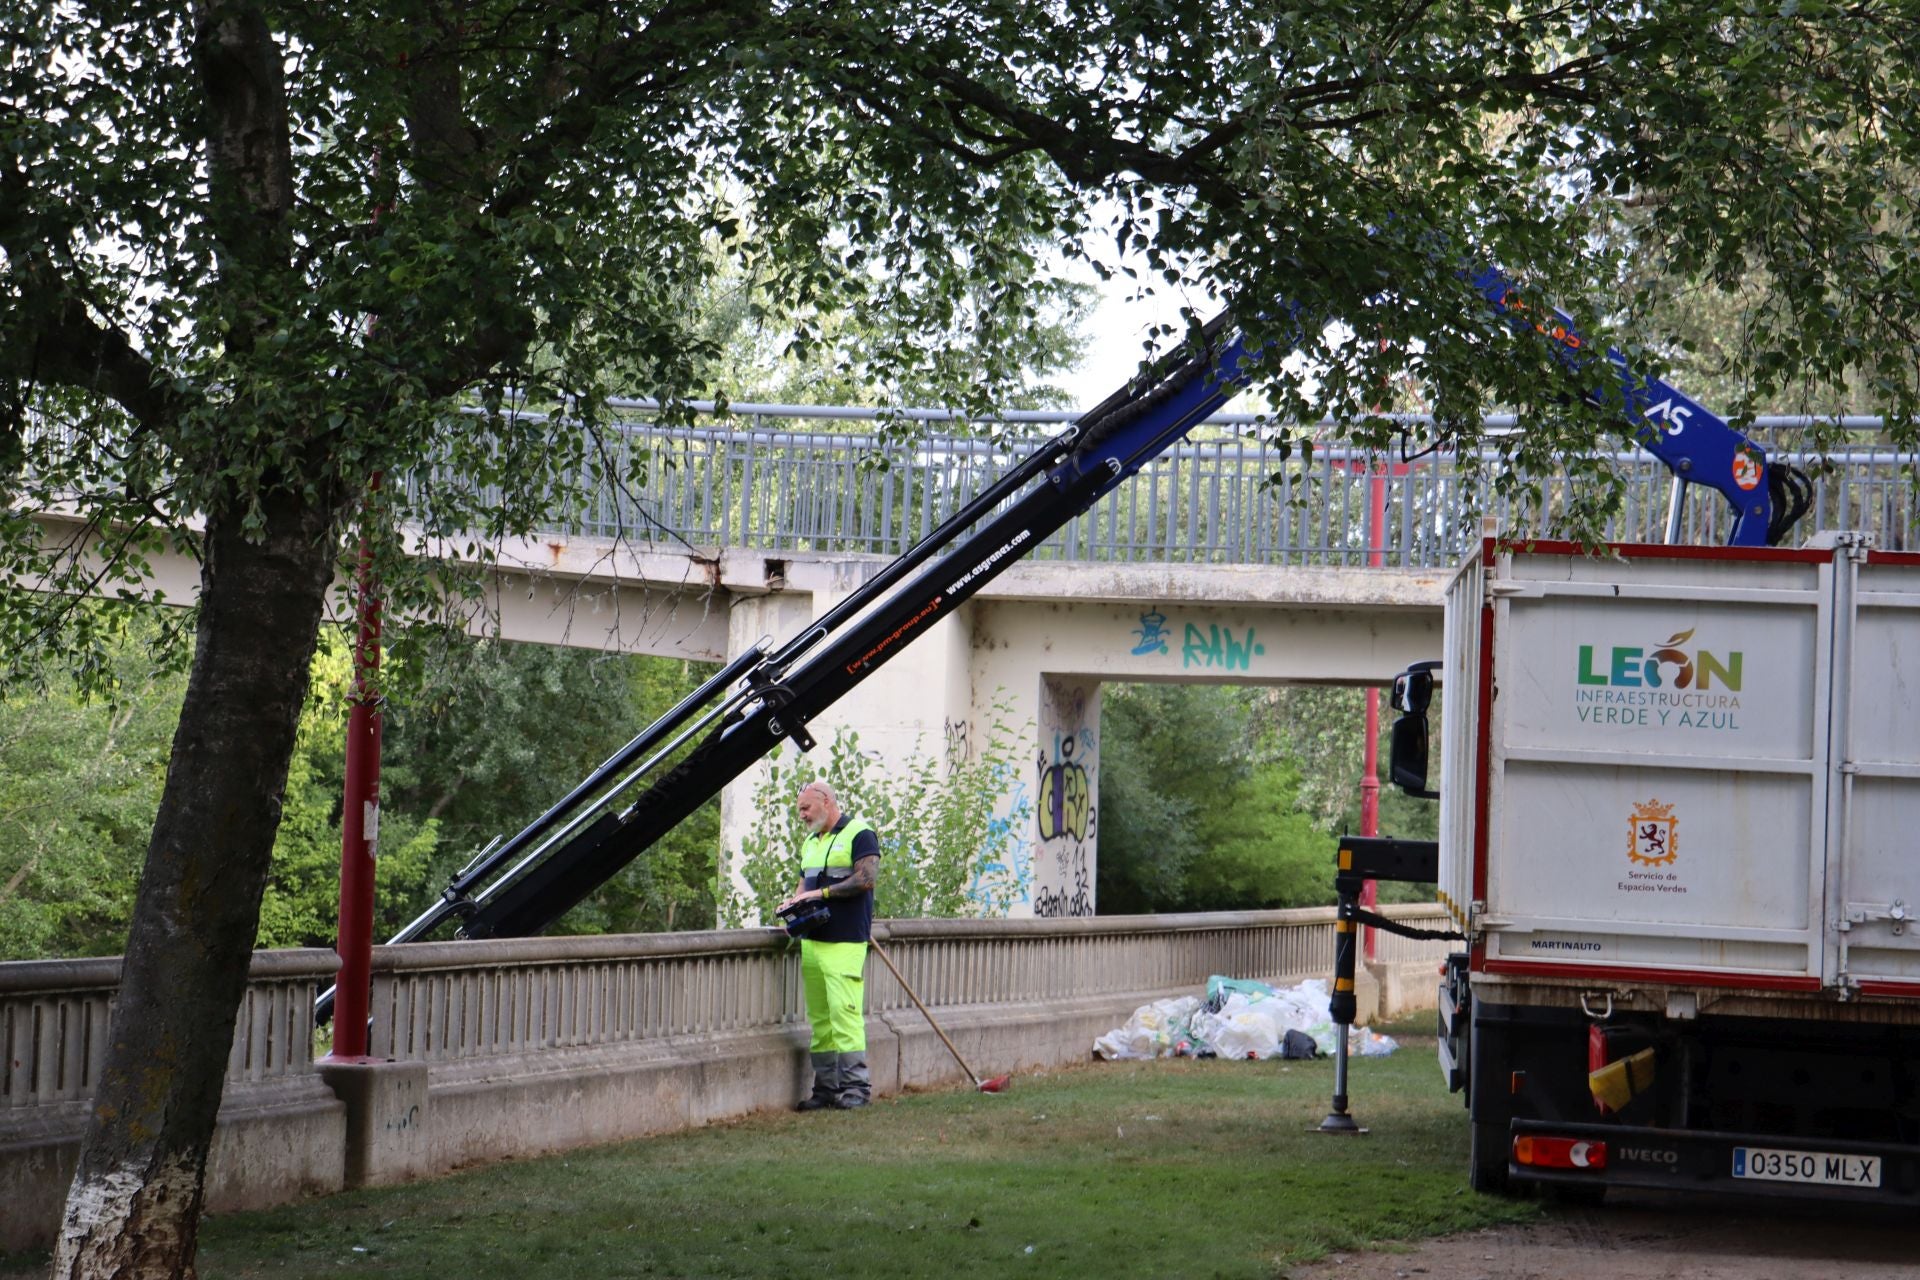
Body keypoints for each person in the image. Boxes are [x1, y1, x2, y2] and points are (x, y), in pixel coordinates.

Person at [776, 779, 880, 1110]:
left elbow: (866, 879)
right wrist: (791, 906)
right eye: (800, 810)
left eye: (806, 808)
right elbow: (804, 882)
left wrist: (819, 894)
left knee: (844, 1015)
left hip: (845, 939)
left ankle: (856, 1089)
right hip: (812, 940)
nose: (802, 815)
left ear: (826, 802)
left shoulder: (859, 833)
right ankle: (825, 1090)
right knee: (820, 1019)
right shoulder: (811, 841)